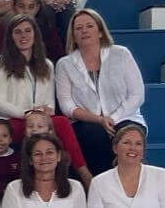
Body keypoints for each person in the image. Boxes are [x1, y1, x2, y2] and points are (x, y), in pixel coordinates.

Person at [55, 10, 146, 175]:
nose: (84, 31)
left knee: (127, 136)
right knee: (93, 134)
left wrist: (113, 118)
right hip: (88, 122)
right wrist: (99, 119)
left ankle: (128, 185)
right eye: (79, 28)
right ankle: (101, 185)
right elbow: (67, 105)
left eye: (89, 26)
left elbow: (137, 95)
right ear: (73, 36)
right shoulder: (64, 64)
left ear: (100, 32)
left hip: (125, 117)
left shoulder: (121, 54)